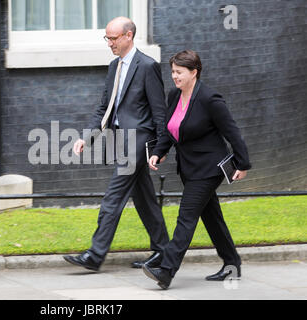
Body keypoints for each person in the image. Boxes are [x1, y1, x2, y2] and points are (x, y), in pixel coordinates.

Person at [63, 17, 169, 271]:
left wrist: (160, 148)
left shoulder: (147, 66)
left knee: (113, 197)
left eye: (113, 38)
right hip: (119, 139)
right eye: (107, 38)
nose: (109, 43)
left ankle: (95, 254)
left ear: (128, 36)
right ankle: (164, 251)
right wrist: (85, 137)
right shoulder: (114, 67)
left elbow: (160, 112)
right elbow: (104, 108)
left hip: (138, 142)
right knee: (144, 199)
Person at [142, 50, 251, 289]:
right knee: (212, 217)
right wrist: (158, 151)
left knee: (186, 217)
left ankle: (166, 270)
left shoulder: (210, 99)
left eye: (179, 72)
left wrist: (243, 164)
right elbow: (170, 129)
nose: (174, 77)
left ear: (194, 72)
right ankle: (232, 264)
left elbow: (232, 132)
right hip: (189, 168)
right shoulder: (174, 96)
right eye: (172, 72)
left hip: (208, 168)